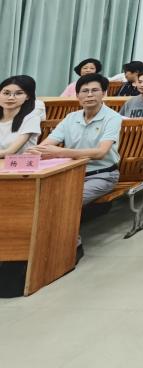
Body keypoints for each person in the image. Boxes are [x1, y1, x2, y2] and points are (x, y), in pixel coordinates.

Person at [29, 74, 121, 259]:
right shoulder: (71, 117)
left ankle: (73, 246)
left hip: (102, 175)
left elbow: (100, 152)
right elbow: (46, 146)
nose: (89, 95)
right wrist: (35, 152)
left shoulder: (112, 118)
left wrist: (60, 152)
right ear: (77, 95)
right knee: (34, 198)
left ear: (104, 93)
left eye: (94, 90)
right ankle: (37, 245)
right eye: (84, 91)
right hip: (70, 174)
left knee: (65, 201)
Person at [0, 75, 43, 156]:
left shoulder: (32, 118)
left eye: (18, 93)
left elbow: (9, 152)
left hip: (18, 163)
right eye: (6, 93)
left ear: (27, 97)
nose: (11, 98)